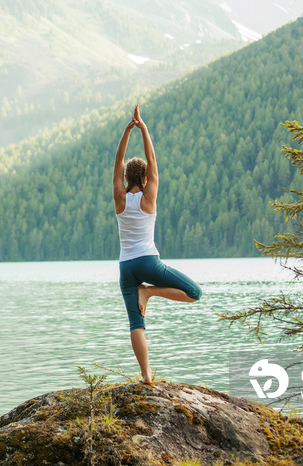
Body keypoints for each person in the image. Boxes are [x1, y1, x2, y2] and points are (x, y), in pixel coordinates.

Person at [113, 105, 202, 384]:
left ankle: (146, 375)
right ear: (147, 178)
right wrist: (144, 128)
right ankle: (149, 293)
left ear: (126, 178)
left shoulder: (119, 197)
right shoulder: (149, 196)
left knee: (135, 324)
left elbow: (118, 161)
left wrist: (127, 130)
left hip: (126, 267)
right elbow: (151, 158)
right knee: (194, 292)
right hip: (148, 262)